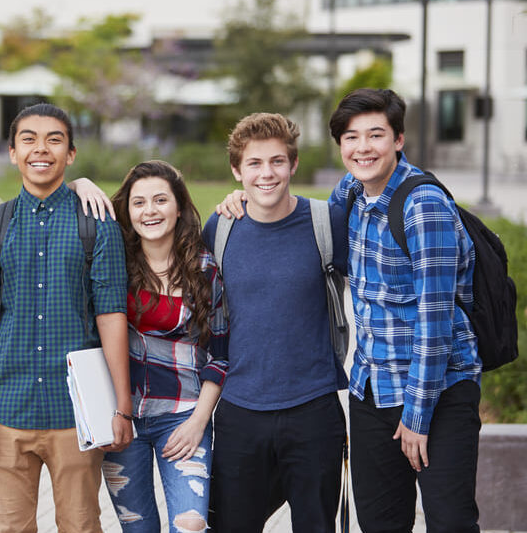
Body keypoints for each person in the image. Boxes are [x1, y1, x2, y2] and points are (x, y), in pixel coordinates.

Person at [0, 103, 132, 533]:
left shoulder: (97, 226)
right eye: (29, 140)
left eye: (54, 140)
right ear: (13, 153)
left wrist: (122, 405)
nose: (41, 149)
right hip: (6, 410)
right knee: (10, 527)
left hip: (76, 414)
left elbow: (112, 315)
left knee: (80, 525)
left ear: (70, 154)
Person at [328, 88, 480, 531]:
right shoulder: (351, 192)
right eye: (351, 137)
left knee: (450, 523)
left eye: (376, 135)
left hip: (440, 391)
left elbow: (436, 322)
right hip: (372, 388)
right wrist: (241, 202)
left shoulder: (423, 207)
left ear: (398, 139)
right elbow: (305, 223)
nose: (363, 148)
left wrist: (417, 416)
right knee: (380, 523)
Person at [204, 112, 349, 531]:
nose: (266, 173)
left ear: (293, 164)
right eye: (254, 163)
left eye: (277, 161)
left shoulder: (327, 222)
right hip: (239, 410)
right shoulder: (220, 227)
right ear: (237, 170)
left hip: (313, 408)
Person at [100, 160, 228, 532]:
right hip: (122, 416)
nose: (150, 211)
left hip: (183, 413)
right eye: (139, 202)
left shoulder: (204, 269)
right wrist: (81, 184)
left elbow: (220, 354)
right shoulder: (114, 263)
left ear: (179, 207)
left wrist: (198, 422)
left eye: (160, 200)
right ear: (127, 211)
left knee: (191, 524)